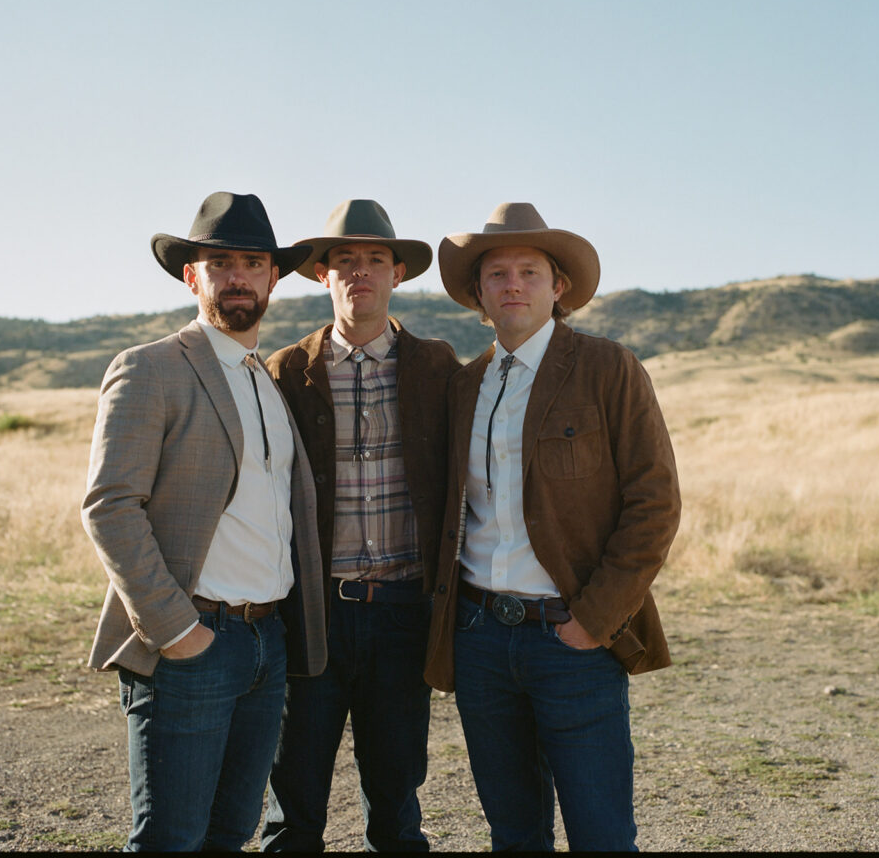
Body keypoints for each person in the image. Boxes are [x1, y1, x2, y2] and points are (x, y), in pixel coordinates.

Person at [424, 202, 681, 852]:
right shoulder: (464, 387)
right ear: (479, 292)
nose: (513, 284)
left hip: (572, 640)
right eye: (498, 273)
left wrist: (593, 619)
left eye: (529, 272)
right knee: (513, 834)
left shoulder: (607, 369)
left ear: (557, 287)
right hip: (481, 641)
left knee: (601, 835)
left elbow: (654, 504)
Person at [81, 191, 327, 852]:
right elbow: (109, 506)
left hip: (264, 645)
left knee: (228, 836)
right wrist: (177, 632)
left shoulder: (266, 381)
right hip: (192, 644)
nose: (239, 275)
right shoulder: (151, 368)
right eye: (222, 262)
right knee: (171, 839)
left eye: (254, 262)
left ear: (274, 278)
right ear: (193, 276)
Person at [260, 200, 460, 852]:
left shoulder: (438, 369)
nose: (360, 273)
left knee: (397, 809)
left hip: (405, 613)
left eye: (375, 260)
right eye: (345, 261)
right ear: (324, 275)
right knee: (293, 812)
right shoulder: (286, 372)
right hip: (312, 614)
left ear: (398, 272)